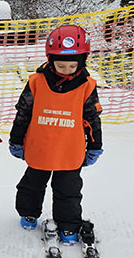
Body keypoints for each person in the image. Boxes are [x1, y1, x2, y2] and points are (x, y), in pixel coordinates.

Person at [8, 24, 103, 243]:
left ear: (82, 61)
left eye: (72, 66)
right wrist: (16, 140)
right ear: (50, 60)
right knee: (32, 185)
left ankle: (68, 225)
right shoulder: (36, 82)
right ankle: (28, 212)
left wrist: (95, 145)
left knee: (68, 190)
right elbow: (23, 113)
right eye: (61, 65)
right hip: (39, 147)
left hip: (69, 150)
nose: (66, 70)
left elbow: (92, 119)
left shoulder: (87, 86)